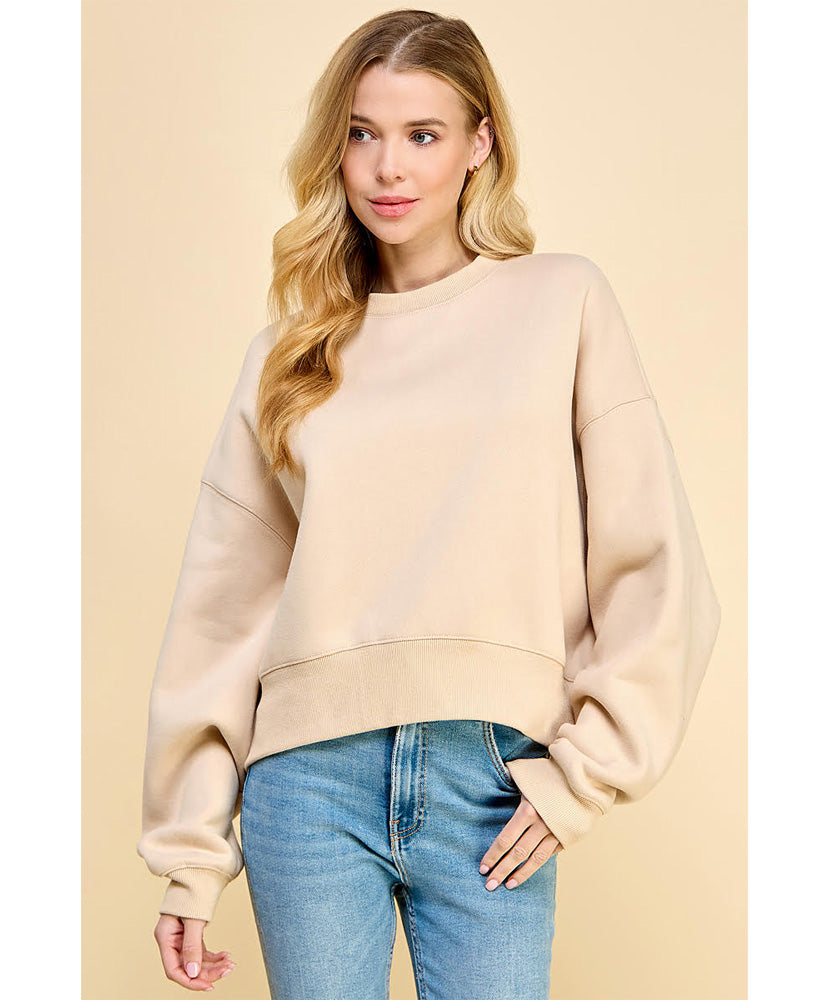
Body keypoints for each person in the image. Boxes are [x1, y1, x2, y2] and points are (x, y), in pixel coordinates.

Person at [137, 9, 722, 999]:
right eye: (362, 134)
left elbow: (652, 561)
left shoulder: (561, 302)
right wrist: (190, 854)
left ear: (479, 143)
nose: (387, 169)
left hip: (490, 779)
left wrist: (583, 772)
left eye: (422, 134)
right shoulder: (289, 355)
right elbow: (221, 610)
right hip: (306, 787)